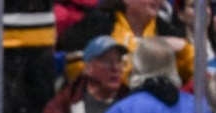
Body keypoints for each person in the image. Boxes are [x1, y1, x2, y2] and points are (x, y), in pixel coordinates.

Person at [58, 0, 194, 85]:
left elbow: (186, 76)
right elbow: (74, 68)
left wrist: (185, 52)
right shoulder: (96, 24)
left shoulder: (169, 31)